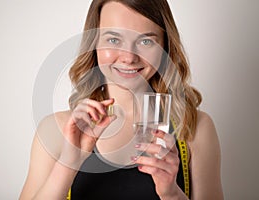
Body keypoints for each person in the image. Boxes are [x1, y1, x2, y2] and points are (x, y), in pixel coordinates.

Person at [20, 0, 223, 199]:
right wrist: (67, 165)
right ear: (94, 44)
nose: (129, 57)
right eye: (114, 40)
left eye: (146, 41)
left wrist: (171, 194)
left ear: (165, 47)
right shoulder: (55, 130)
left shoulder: (194, 128)